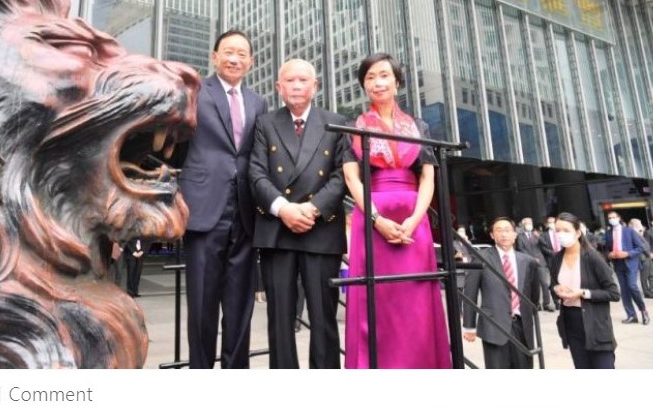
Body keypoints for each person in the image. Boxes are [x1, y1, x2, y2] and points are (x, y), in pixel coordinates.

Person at [342, 53, 451, 369]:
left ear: (397, 82)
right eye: (370, 77)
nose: (378, 82)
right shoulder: (354, 125)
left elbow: (427, 176)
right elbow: (352, 177)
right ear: (364, 85)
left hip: (413, 219)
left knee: (415, 299)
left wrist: (415, 221)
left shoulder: (418, 125)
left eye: (384, 75)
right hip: (372, 215)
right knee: (377, 299)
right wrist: (377, 220)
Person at [249, 58, 350, 369]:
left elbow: (341, 175)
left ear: (315, 86)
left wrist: (312, 208)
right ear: (279, 86)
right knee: (279, 319)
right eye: (289, 80)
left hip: (321, 230)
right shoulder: (265, 123)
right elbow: (256, 173)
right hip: (277, 230)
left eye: (302, 80)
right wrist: (284, 208)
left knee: (323, 319)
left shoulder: (335, 122)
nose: (296, 85)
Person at [178, 29, 269, 368]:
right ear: (214, 56)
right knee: (202, 303)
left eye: (242, 54)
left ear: (251, 61)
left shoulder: (259, 101)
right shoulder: (195, 91)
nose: (234, 59)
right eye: (228, 52)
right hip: (204, 207)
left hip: (245, 212)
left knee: (239, 304)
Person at [462, 217, 540, 369]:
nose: (504, 234)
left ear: (515, 234)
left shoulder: (527, 261)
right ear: (492, 235)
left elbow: (533, 295)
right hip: (494, 325)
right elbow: (469, 293)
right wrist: (469, 326)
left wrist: (528, 314)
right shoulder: (480, 258)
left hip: (522, 326)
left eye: (507, 230)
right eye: (499, 230)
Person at [549, 211, 620, 369]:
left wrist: (583, 293)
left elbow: (614, 293)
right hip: (571, 322)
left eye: (566, 230)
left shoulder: (592, 257)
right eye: (557, 230)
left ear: (578, 232)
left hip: (595, 322)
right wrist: (556, 288)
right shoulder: (556, 258)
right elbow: (552, 285)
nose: (561, 235)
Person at [604, 211, 649, 325]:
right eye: (609, 218)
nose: (612, 219)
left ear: (619, 218)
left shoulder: (629, 231)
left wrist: (628, 253)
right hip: (618, 264)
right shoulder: (608, 233)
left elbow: (640, 247)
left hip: (631, 263)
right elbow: (607, 249)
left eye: (614, 217)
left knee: (632, 286)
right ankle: (631, 315)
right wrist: (609, 255)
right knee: (624, 291)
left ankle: (643, 310)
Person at [516, 216, 555, 311]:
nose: (529, 225)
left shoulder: (537, 234)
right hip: (528, 263)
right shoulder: (520, 237)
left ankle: (546, 303)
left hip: (540, 262)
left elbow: (544, 245)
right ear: (523, 225)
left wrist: (539, 237)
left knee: (544, 283)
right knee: (534, 284)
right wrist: (532, 258)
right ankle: (536, 304)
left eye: (530, 223)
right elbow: (521, 249)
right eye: (527, 223)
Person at [629, 219, 653, 299]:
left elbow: (645, 243)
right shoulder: (633, 232)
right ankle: (646, 292)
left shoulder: (639, 232)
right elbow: (641, 245)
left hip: (648, 256)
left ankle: (652, 290)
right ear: (634, 224)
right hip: (643, 257)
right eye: (639, 223)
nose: (641, 224)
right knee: (644, 276)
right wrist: (649, 253)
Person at [539, 215, 561, 309]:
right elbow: (543, 247)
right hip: (551, 260)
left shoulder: (561, 232)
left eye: (553, 221)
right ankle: (557, 301)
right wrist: (553, 253)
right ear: (547, 224)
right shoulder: (543, 235)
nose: (552, 224)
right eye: (550, 222)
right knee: (553, 282)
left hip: (563, 258)